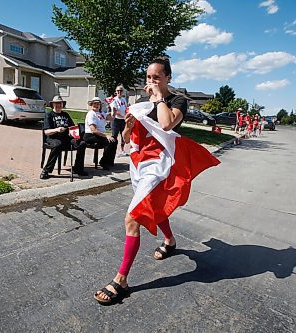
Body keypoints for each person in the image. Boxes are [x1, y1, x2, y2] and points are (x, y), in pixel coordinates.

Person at [93, 56, 219, 305]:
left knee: (133, 217)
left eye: (157, 77)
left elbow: (167, 122)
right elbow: (129, 138)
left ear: (168, 78)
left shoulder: (177, 100)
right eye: (149, 77)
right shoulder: (140, 102)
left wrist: (159, 98)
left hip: (161, 166)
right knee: (153, 207)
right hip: (139, 163)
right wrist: (128, 127)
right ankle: (170, 241)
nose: (151, 81)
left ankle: (121, 280)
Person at [40, 95, 87, 179]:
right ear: (53, 104)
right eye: (56, 103)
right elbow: (46, 132)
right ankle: (46, 170)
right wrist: (57, 130)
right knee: (58, 144)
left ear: (62, 104)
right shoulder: (49, 115)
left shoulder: (66, 114)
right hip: (53, 138)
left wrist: (74, 132)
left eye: (60, 103)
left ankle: (77, 168)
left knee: (82, 143)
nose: (58, 105)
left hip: (67, 138)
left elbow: (72, 127)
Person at [83, 97, 117, 170]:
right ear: (91, 104)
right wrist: (106, 136)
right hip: (90, 135)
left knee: (114, 140)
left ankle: (109, 161)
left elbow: (110, 118)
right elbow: (93, 130)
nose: (96, 105)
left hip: (99, 135)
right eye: (94, 103)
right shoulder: (91, 114)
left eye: (98, 104)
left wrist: (113, 111)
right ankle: (103, 162)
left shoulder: (101, 113)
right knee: (108, 141)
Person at [109, 85, 128, 156]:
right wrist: (124, 116)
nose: (119, 92)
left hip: (123, 120)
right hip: (116, 120)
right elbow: (115, 111)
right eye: (118, 91)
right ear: (116, 92)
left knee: (123, 135)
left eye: (121, 90)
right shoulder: (114, 100)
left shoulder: (124, 100)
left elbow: (126, 108)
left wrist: (126, 115)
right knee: (114, 136)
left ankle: (122, 150)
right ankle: (112, 151)